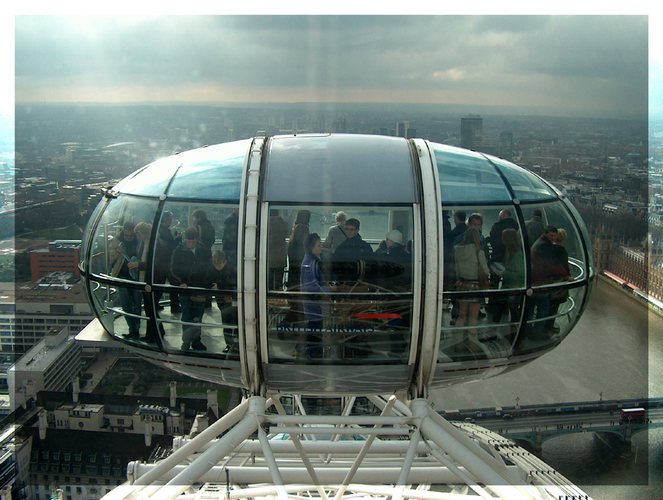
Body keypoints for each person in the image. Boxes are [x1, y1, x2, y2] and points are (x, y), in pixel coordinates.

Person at [170, 227, 209, 351]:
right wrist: (180, 283)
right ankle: (186, 342)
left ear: (197, 239)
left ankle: (196, 341)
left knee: (198, 316)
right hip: (186, 290)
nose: (190, 244)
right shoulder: (179, 251)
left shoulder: (204, 250)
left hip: (199, 289)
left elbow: (209, 269)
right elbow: (172, 269)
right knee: (187, 316)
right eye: (188, 241)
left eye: (193, 242)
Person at [528, 225, 570, 338]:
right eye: (551, 236)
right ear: (545, 233)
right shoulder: (545, 246)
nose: (552, 238)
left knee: (531, 308)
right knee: (543, 308)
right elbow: (553, 265)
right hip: (540, 282)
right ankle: (537, 333)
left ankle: (528, 330)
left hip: (533, 280)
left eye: (554, 236)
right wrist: (566, 276)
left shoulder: (541, 243)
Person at [453, 227, 490, 345]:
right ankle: (472, 343)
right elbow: (486, 271)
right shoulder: (479, 252)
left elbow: (456, 270)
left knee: (462, 315)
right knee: (473, 318)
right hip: (475, 286)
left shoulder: (457, 250)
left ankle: (458, 342)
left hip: (462, 284)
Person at [110, 221, 142, 339]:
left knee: (137, 303)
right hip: (122, 275)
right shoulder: (116, 241)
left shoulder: (139, 241)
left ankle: (136, 329)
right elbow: (110, 258)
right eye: (126, 235)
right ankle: (132, 328)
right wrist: (117, 252)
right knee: (126, 304)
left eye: (131, 236)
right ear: (123, 231)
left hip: (136, 277)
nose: (128, 238)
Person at [487, 209, 519, 321]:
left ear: (503, 215)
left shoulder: (496, 226)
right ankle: (505, 306)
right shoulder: (516, 225)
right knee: (507, 283)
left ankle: (492, 304)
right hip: (509, 260)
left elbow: (492, 240)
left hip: (496, 258)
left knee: (494, 282)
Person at [205, 250, 238, 353]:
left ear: (225, 262)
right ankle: (230, 344)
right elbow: (207, 281)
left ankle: (235, 344)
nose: (218, 267)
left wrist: (218, 286)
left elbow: (234, 283)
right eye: (216, 265)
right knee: (227, 322)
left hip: (231, 299)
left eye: (220, 265)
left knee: (234, 322)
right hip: (223, 300)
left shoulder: (232, 269)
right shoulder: (214, 268)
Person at [154, 210, 181, 313]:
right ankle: (175, 306)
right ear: (167, 219)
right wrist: (178, 239)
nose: (171, 221)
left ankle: (155, 304)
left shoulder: (160, 230)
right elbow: (169, 248)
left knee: (160, 285)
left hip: (160, 262)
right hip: (166, 262)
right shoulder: (164, 232)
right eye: (170, 219)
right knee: (174, 284)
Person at [546, 228, 571, 333]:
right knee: (554, 305)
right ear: (563, 239)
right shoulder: (561, 251)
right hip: (557, 282)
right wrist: (568, 277)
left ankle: (544, 324)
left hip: (547, 280)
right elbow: (564, 267)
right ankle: (549, 326)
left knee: (547, 305)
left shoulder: (549, 248)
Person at [333, 218, 373, 283]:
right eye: (347, 229)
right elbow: (335, 265)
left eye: (351, 229)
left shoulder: (365, 247)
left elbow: (370, 266)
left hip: (361, 281)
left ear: (357, 230)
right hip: (344, 281)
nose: (349, 232)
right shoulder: (341, 247)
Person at [500, 228, 526, 327]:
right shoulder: (509, 251)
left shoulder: (518, 255)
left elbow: (521, 274)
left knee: (514, 312)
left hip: (515, 288)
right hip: (510, 287)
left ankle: (514, 330)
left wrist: (504, 273)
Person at [286, 210, 310, 290]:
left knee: (292, 276)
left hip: (293, 255)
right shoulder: (303, 228)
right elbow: (305, 243)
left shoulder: (296, 226)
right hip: (299, 258)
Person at [268, 209, 289, 290]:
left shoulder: (265, 222)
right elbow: (286, 234)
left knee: (268, 282)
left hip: (268, 257)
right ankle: (278, 298)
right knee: (278, 282)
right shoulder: (282, 222)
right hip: (280, 257)